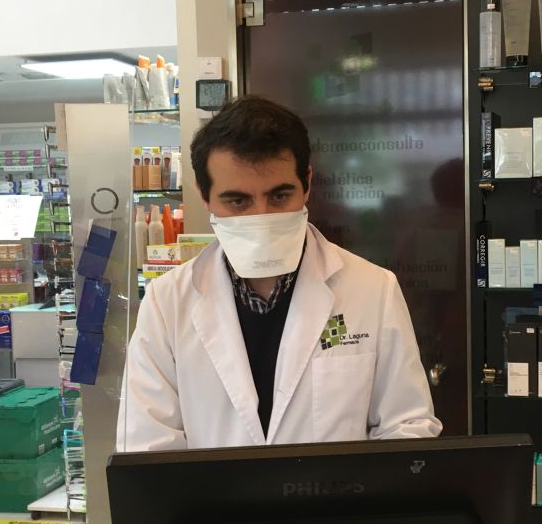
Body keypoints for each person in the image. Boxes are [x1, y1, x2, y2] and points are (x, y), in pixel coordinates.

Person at [119, 96, 442, 451]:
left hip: (338, 505)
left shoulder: (373, 289)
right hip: (215, 506)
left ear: (307, 183)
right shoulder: (168, 303)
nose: (262, 217)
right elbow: (148, 446)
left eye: (279, 196)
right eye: (238, 201)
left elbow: (406, 427)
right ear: (204, 196)